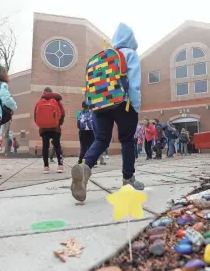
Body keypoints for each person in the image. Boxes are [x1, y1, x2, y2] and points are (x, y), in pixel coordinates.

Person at [70, 22, 144, 202]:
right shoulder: (130, 54)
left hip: (99, 104)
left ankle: (85, 166)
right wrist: (135, 105)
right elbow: (133, 84)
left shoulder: (103, 57)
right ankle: (128, 180)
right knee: (126, 140)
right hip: (123, 103)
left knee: (101, 139)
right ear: (131, 39)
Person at [34, 87, 65, 174]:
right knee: (57, 146)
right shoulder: (57, 101)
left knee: (45, 147)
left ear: (44, 93)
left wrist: (41, 124)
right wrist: (58, 124)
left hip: (44, 129)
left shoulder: (39, 102)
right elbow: (62, 114)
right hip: (55, 128)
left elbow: (35, 116)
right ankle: (60, 165)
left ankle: (46, 167)